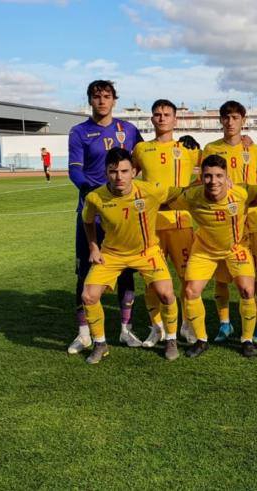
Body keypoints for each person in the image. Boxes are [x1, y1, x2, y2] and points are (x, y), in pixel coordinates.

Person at [81, 148, 179, 364]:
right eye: (113, 171)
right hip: (112, 254)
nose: (119, 177)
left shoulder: (149, 190)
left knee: (166, 294)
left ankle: (171, 339)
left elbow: (181, 193)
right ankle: (100, 344)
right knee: (88, 296)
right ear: (106, 172)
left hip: (147, 252)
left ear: (134, 172)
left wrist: (217, 184)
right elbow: (87, 221)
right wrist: (93, 247)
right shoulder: (95, 197)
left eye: (124, 171)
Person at [67, 80, 143, 355]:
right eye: (96, 96)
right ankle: (84, 333)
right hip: (91, 214)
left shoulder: (129, 130)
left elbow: (146, 157)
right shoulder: (79, 132)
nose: (102, 101)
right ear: (90, 100)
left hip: (123, 215)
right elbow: (75, 170)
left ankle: (126, 329)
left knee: (126, 271)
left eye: (107, 96)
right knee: (85, 273)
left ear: (114, 100)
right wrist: (93, 192)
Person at [166, 154, 257, 358]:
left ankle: (247, 340)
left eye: (219, 176)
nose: (213, 181)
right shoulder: (192, 196)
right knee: (191, 291)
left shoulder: (241, 193)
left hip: (236, 248)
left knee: (247, 290)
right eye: (208, 176)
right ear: (201, 177)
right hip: (205, 250)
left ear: (227, 177)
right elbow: (164, 202)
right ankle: (201, 340)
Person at [132, 99, 200, 348]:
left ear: (175, 119)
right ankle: (157, 327)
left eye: (167, 114)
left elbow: (214, 169)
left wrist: (245, 140)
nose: (162, 118)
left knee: (187, 279)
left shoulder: (188, 148)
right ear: (152, 119)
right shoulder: (141, 149)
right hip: (150, 226)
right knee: (151, 280)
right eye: (158, 114)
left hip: (181, 224)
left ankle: (187, 324)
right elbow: (128, 176)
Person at [200, 101, 257, 344]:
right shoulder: (211, 148)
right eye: (226, 117)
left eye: (235, 117)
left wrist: (252, 191)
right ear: (220, 120)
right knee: (221, 277)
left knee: (254, 276)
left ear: (243, 120)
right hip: (220, 224)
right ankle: (225, 323)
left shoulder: (253, 149)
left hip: (250, 221)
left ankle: (256, 323)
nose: (230, 122)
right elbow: (203, 179)